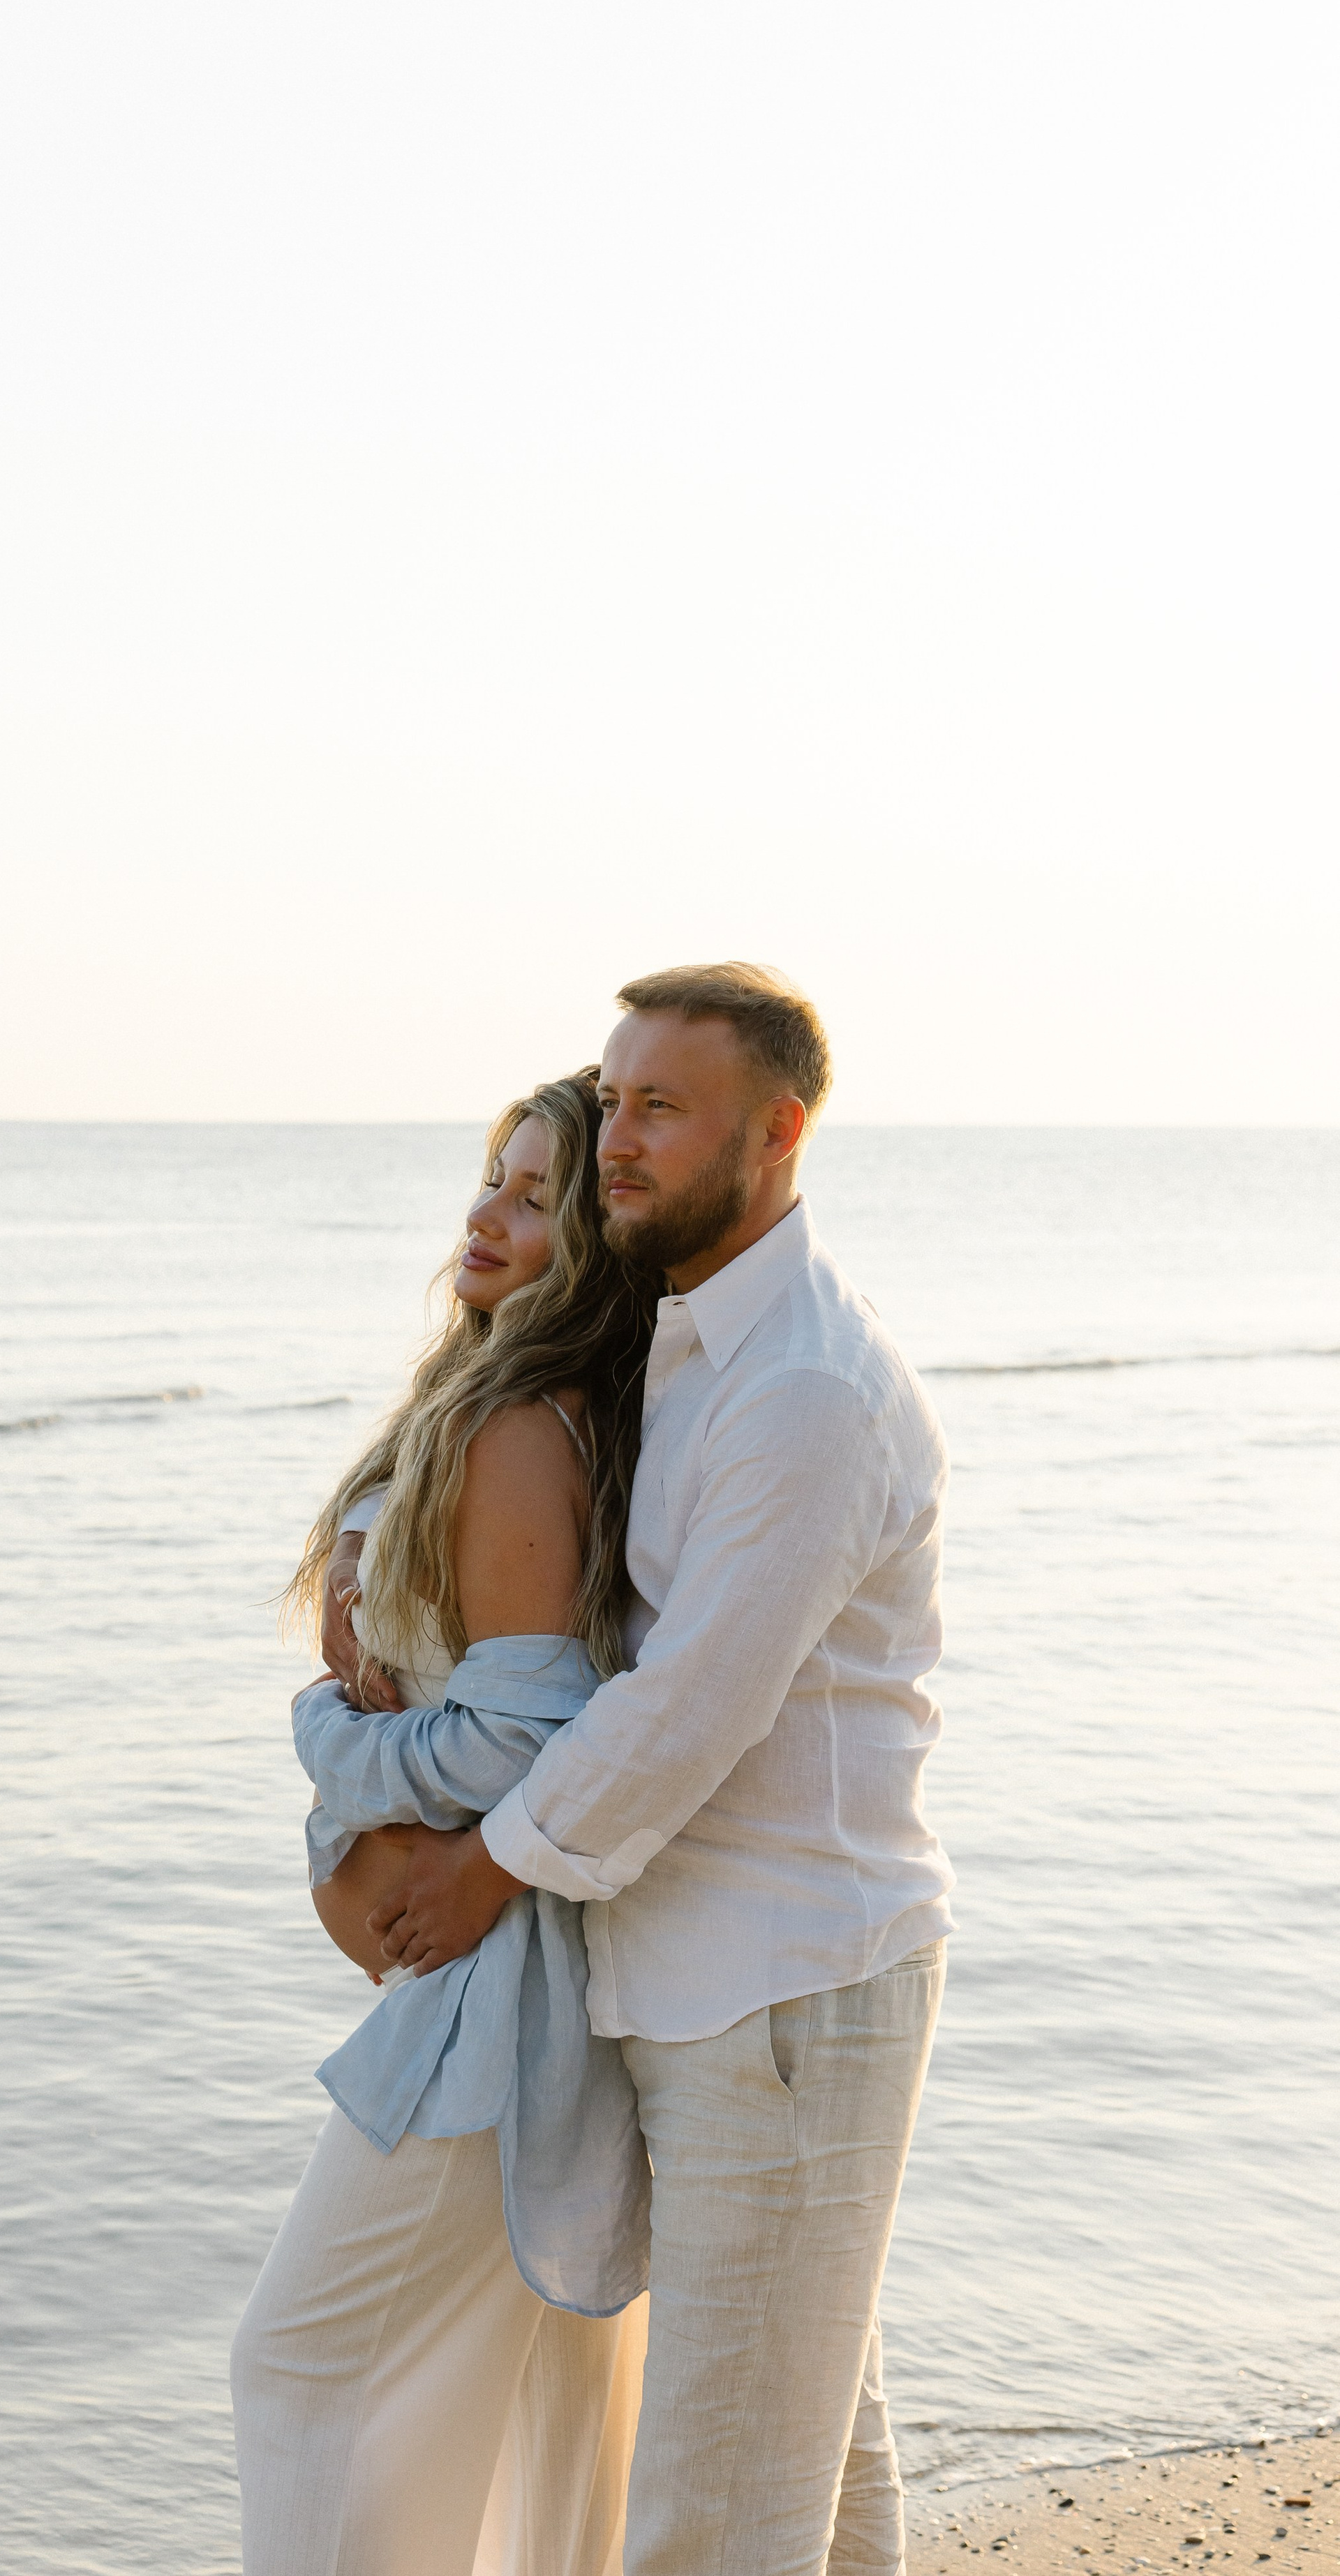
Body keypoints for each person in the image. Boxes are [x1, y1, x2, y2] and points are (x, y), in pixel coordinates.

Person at [368, 963, 955, 2576]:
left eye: (661, 1107)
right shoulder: (692, 1349)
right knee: (813, 2476)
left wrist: (480, 1861)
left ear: (777, 1130)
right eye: (612, 1099)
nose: (615, 1138)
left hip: (777, 1983)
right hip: (708, 1979)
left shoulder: (805, 1390)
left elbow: (687, 1704)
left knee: (710, 2516)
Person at [232, 1069, 661, 2576]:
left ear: (593, 1239)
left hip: (492, 2011)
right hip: (463, 1996)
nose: (485, 1213)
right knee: (468, 2403)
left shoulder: (517, 1428)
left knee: (300, 2365)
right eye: (491, 1176)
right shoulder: (471, 1403)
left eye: (536, 1193)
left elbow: (523, 1736)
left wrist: (327, 1737)